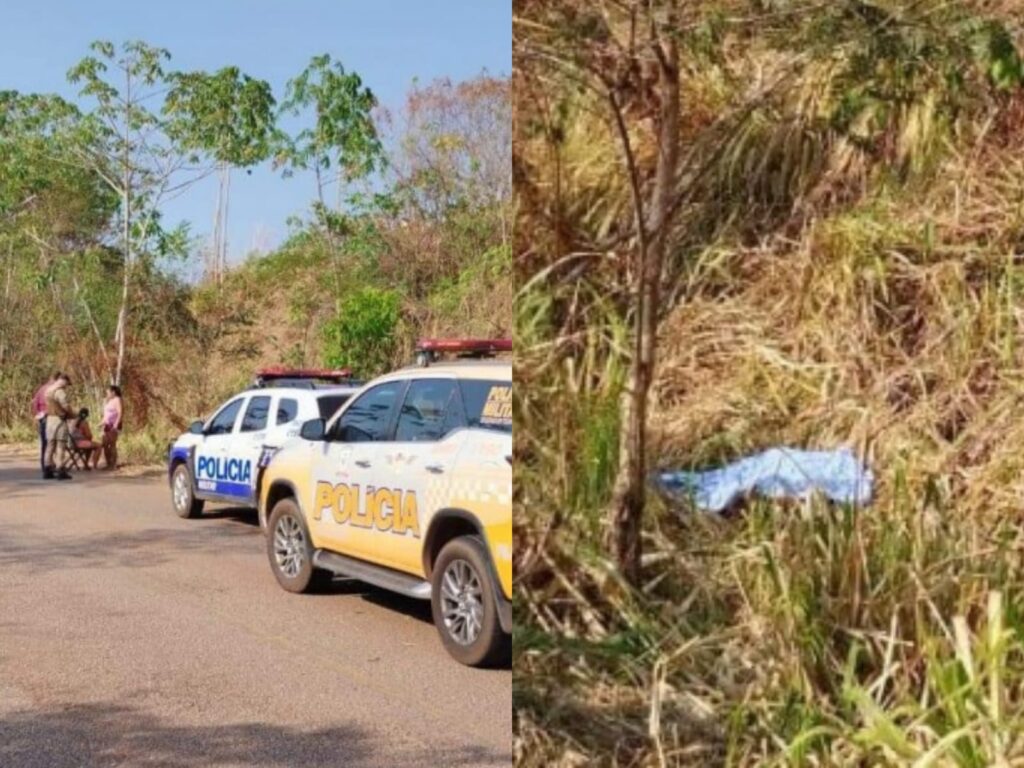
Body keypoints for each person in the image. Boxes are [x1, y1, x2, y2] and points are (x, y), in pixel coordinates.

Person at [41, 373, 73, 480]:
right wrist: (72, 414)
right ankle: (60, 470)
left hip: (49, 419)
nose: (66, 386)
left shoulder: (48, 391)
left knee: (50, 445)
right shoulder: (59, 392)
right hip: (59, 420)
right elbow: (66, 406)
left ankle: (47, 469)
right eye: (67, 383)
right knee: (60, 445)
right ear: (63, 380)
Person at [31, 371, 61, 474]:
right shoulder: (54, 389)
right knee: (53, 442)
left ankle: (46, 466)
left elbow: (34, 403)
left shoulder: (42, 388)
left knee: (45, 443)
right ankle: (51, 465)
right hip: (52, 417)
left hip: (42, 417)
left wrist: (37, 415)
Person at [99, 384, 123, 470]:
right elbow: (106, 414)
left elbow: (120, 412)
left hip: (113, 425)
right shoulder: (109, 401)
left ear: (113, 392)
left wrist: (116, 425)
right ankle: (108, 463)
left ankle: (113, 464)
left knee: (112, 444)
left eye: (108, 392)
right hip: (106, 425)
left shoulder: (117, 399)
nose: (107, 394)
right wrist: (101, 423)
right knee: (105, 444)